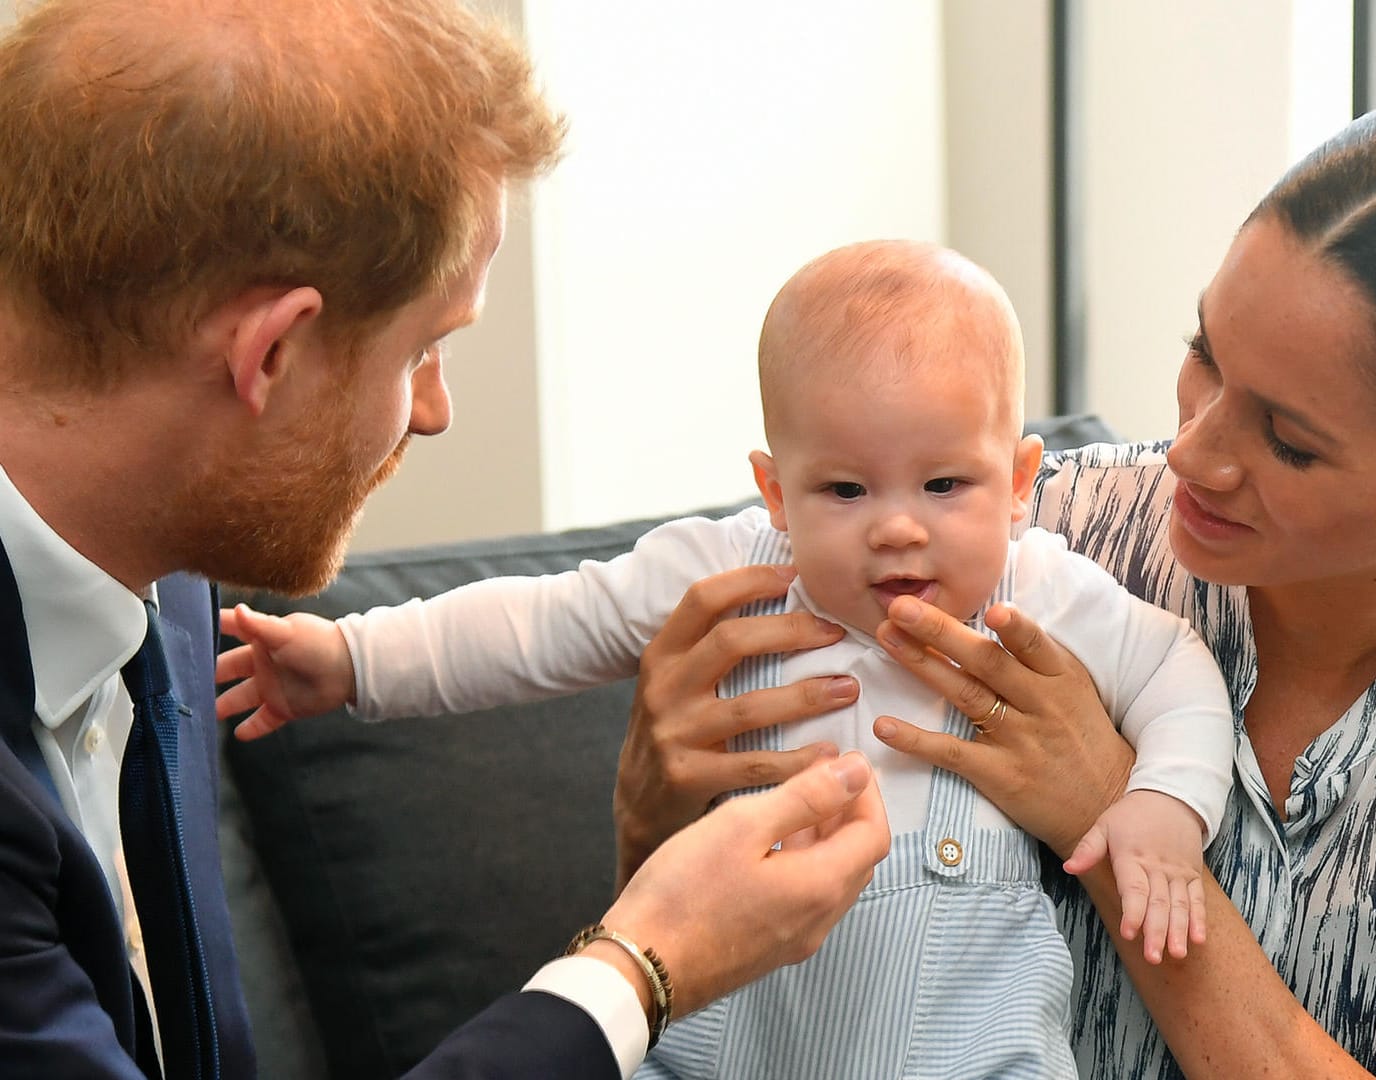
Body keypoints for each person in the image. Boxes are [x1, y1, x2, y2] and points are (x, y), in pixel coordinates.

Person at [617, 96, 1376, 1080]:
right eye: (1204, 355)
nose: (1193, 450)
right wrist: (650, 817)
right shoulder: (1018, 530)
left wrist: (1109, 807)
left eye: (1288, 440)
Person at [0, 1, 890, 1078]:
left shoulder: (163, 563)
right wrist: (643, 967)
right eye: (427, 346)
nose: (433, 411)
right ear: (272, 353)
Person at [215, 238, 1236, 1079]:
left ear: (1018, 482)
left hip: (969, 1046)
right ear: (775, 491)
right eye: (845, 491)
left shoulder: (1044, 589)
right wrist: (349, 660)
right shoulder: (729, 570)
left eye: (944, 486)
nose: (898, 531)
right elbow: (540, 625)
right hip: (732, 1038)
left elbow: (1177, 674)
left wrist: (1162, 809)